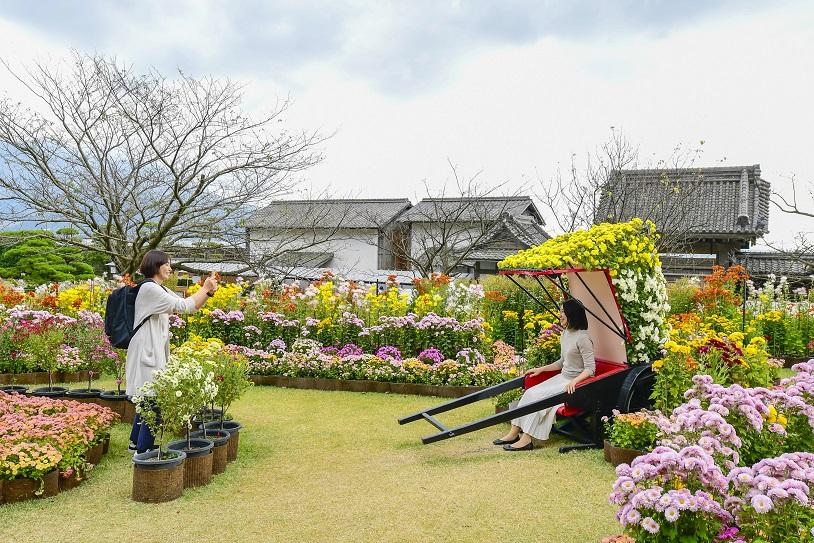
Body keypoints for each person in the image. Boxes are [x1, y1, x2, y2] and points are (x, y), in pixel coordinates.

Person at [126, 250, 219, 453]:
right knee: (152, 399)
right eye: (167, 264)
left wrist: (209, 292)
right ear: (155, 265)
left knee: (147, 397)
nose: (171, 268)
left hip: (151, 349)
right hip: (146, 350)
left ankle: (135, 442)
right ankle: (144, 449)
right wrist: (204, 288)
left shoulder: (160, 289)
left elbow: (190, 307)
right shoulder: (150, 289)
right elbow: (183, 305)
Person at [494, 297, 595, 451]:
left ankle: (527, 439)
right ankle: (514, 432)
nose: (560, 315)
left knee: (538, 398)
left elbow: (590, 369)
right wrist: (541, 369)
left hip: (574, 384)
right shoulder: (566, 334)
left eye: (563, 312)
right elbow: (562, 362)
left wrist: (575, 382)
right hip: (562, 377)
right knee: (530, 393)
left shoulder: (583, 338)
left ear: (572, 314)